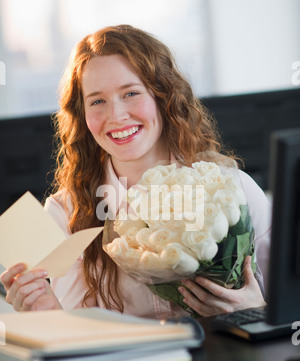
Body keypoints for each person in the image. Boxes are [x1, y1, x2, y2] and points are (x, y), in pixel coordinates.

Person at [0, 25, 271, 318]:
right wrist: (48, 313)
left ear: (163, 96)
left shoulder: (231, 187)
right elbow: (77, 343)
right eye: (97, 101)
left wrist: (256, 308)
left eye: (130, 93)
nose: (116, 116)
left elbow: (289, 311)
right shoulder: (64, 214)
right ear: (82, 114)